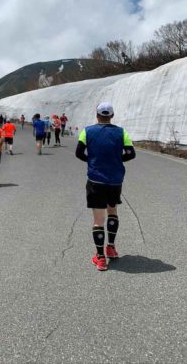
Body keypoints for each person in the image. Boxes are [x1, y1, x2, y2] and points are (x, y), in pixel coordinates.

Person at [75, 102, 136, 271]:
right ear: (112, 116)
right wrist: (116, 161)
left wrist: (93, 161)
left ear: (97, 115)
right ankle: (111, 247)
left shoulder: (87, 131)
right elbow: (131, 153)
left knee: (98, 220)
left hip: (96, 180)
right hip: (115, 179)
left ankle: (101, 258)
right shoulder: (121, 132)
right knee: (113, 211)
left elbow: (79, 153)